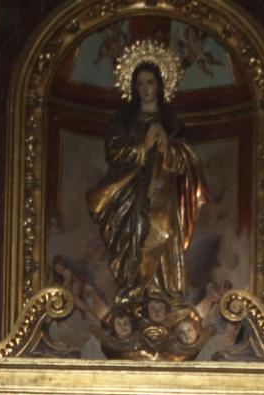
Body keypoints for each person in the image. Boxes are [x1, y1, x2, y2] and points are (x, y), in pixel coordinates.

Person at [86, 48, 207, 308]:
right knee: (138, 232)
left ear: (160, 86)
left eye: (150, 82)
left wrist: (166, 148)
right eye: (140, 83)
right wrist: (142, 147)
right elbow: (114, 152)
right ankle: (135, 288)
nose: (145, 88)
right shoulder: (124, 120)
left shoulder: (171, 122)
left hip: (163, 192)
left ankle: (163, 293)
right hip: (132, 191)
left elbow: (186, 160)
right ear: (133, 87)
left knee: (163, 231)